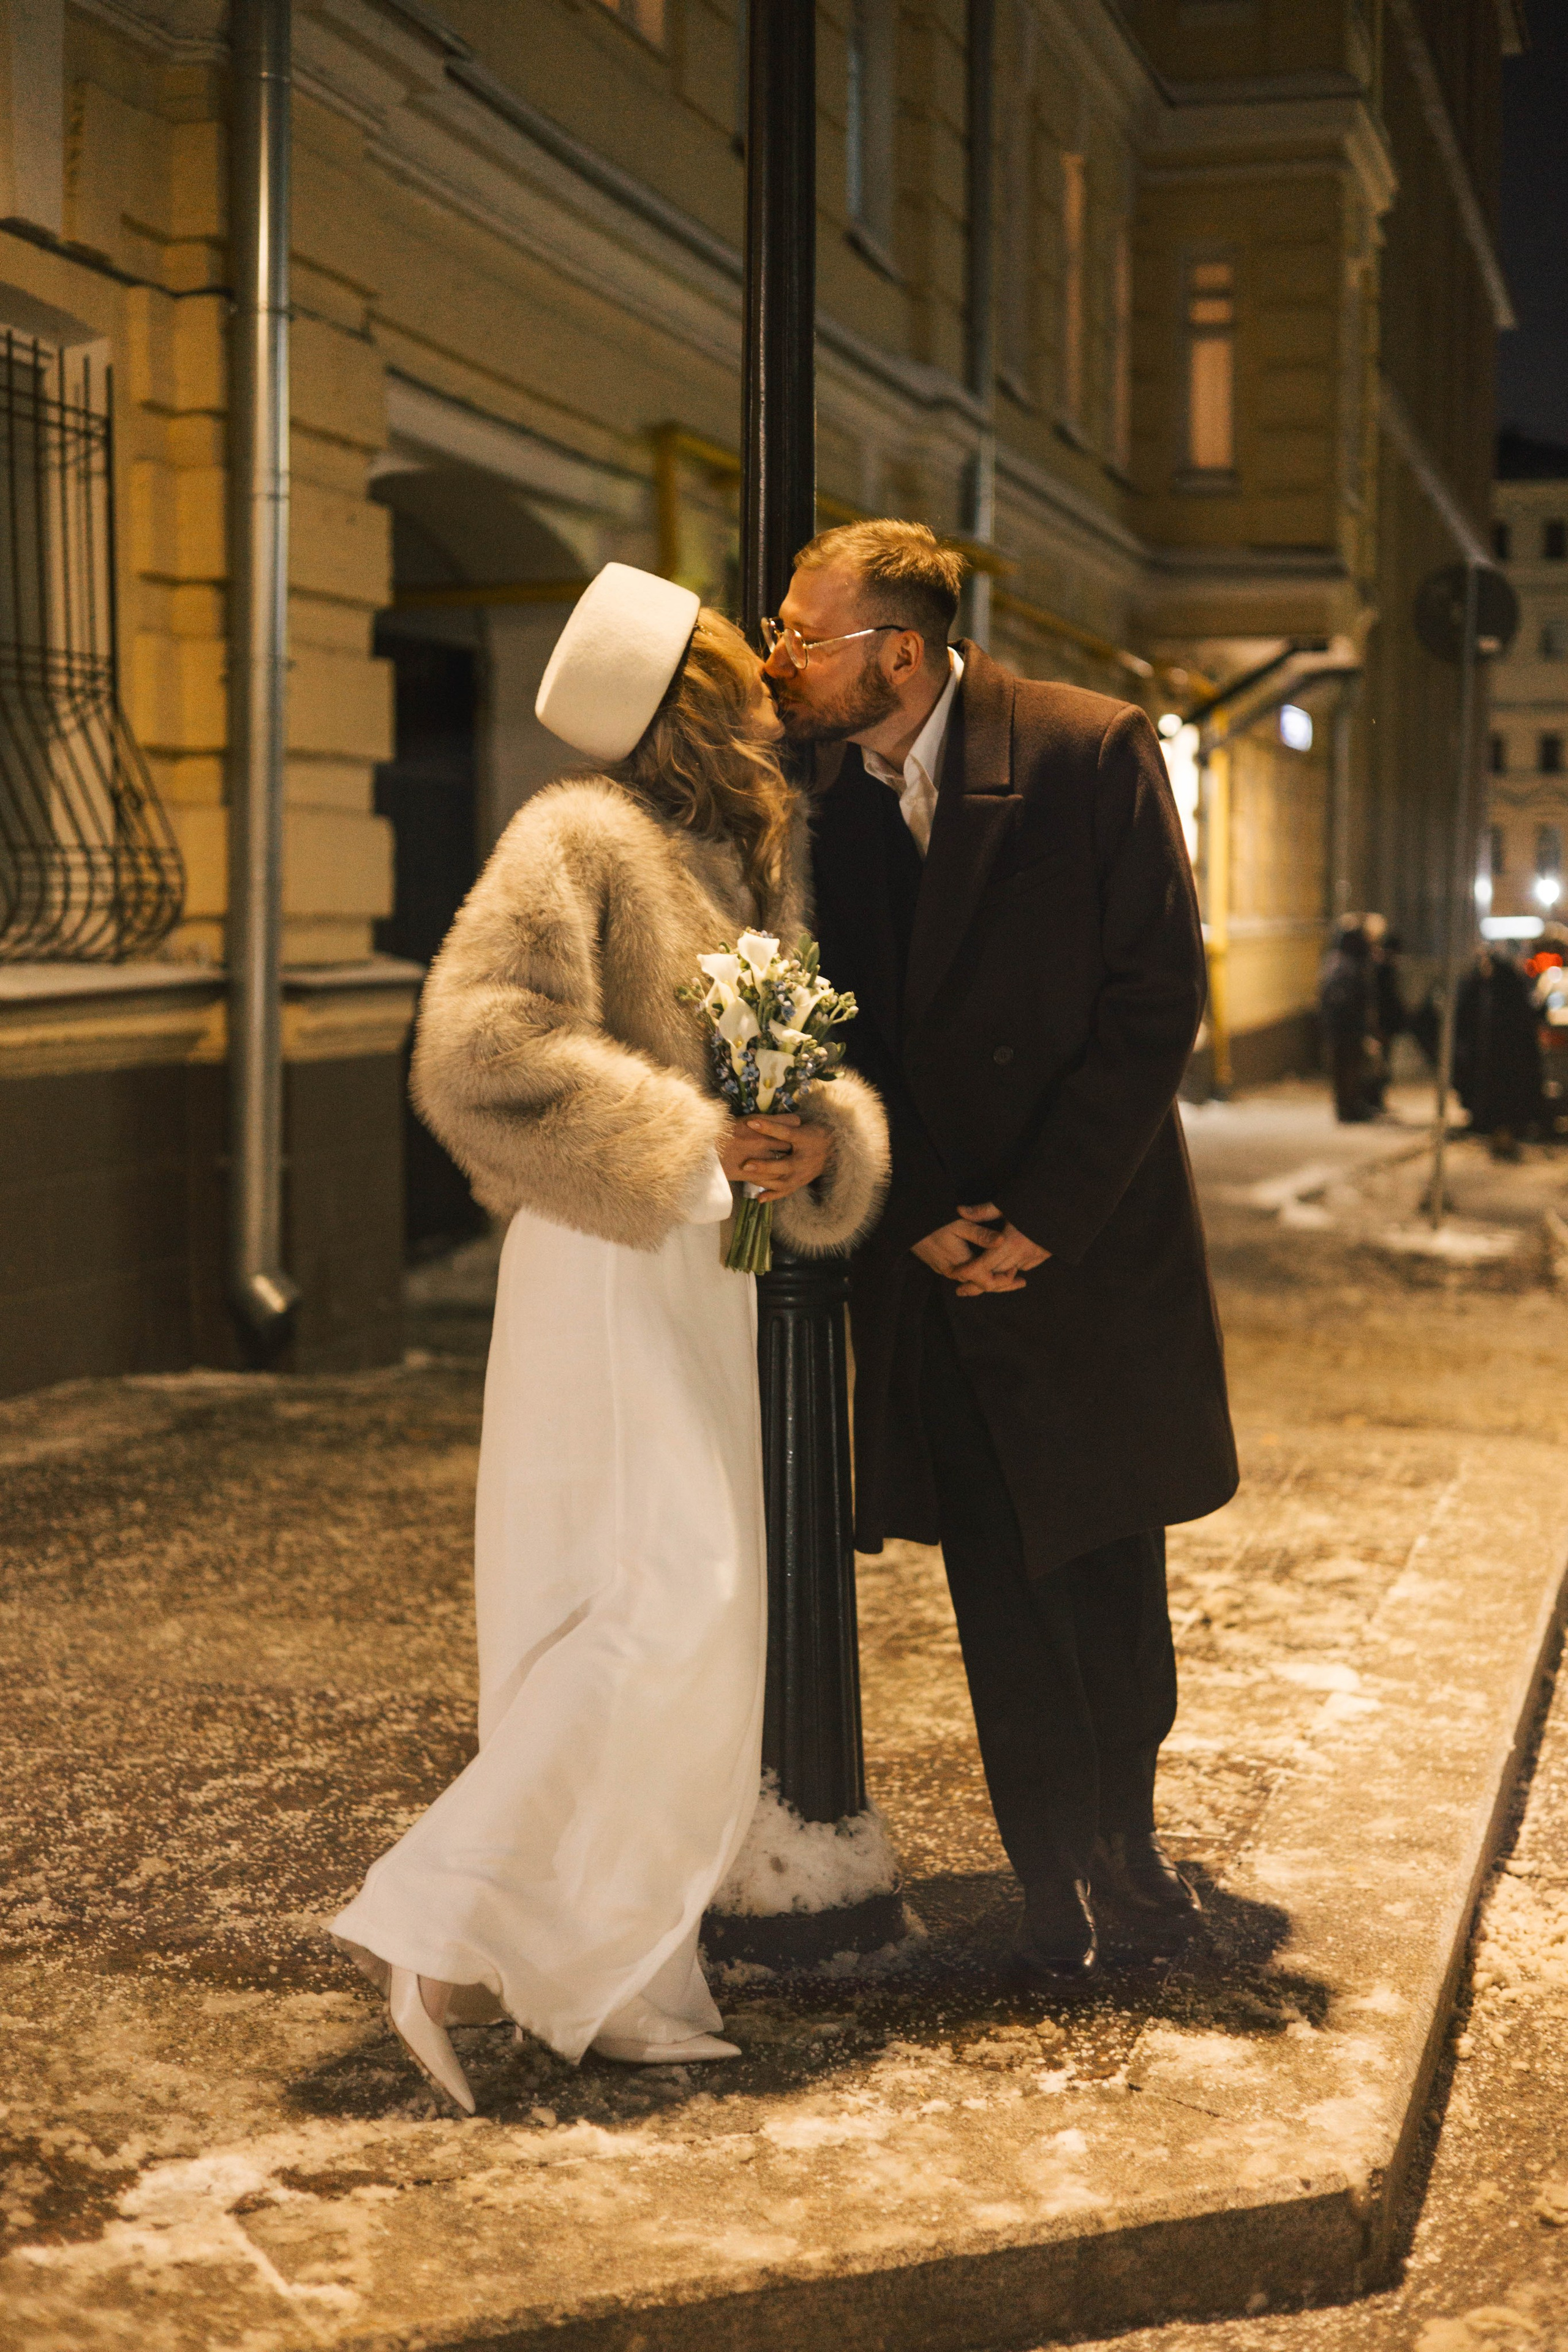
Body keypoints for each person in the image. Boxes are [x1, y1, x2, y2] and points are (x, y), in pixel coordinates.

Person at [332, 565, 889, 2110]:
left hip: (704, 1268)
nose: (769, 678)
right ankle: (445, 1928)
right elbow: (473, 1052)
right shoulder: (574, 836)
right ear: (686, 692)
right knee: (662, 1598)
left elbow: (785, 1072)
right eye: (735, 659)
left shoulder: (745, 852)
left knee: (693, 1623)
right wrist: (692, 1138)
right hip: (601, 1257)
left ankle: (621, 1978)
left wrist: (813, 1141)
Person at [766, 519, 1238, 1987]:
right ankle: (1047, 1877)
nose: (782, 661)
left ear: (898, 652)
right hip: (936, 1253)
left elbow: (1153, 998)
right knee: (992, 1575)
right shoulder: (817, 797)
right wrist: (915, 1206)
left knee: (1104, 1557)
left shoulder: (1086, 749)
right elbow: (832, 1021)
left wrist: (1039, 1215)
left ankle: (1124, 1846)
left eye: (805, 636)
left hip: (1083, 1244)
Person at [1453, 944, 1547, 1159]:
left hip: (1500, 1074)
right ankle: (1502, 1136)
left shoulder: (1498, 1003)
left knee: (1502, 1109)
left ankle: (1502, 1136)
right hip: (1507, 1075)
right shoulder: (1510, 1000)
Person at [1319, 914, 1379, 1122]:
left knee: (1344, 1069)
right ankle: (1349, 1108)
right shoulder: (1349, 965)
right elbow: (1353, 998)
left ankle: (1348, 1107)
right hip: (1347, 1028)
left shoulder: (1335, 961)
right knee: (1349, 1069)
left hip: (1338, 1027)